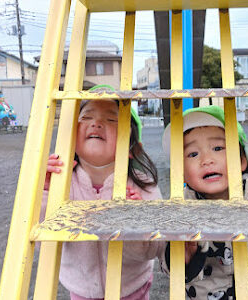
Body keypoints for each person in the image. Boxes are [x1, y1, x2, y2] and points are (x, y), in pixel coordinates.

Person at [161, 105, 248, 300]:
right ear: (181, 171)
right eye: (193, 154)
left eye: (218, 148)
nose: (206, 160)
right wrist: (181, 257)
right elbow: (169, 267)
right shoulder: (182, 205)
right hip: (203, 295)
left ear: (242, 160)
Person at [42, 85, 166, 300]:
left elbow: (154, 249)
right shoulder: (60, 181)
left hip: (132, 289)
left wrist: (137, 222)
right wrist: (44, 190)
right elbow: (43, 238)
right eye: (86, 117)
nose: (96, 123)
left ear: (132, 148)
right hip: (81, 291)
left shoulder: (143, 185)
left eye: (111, 120)